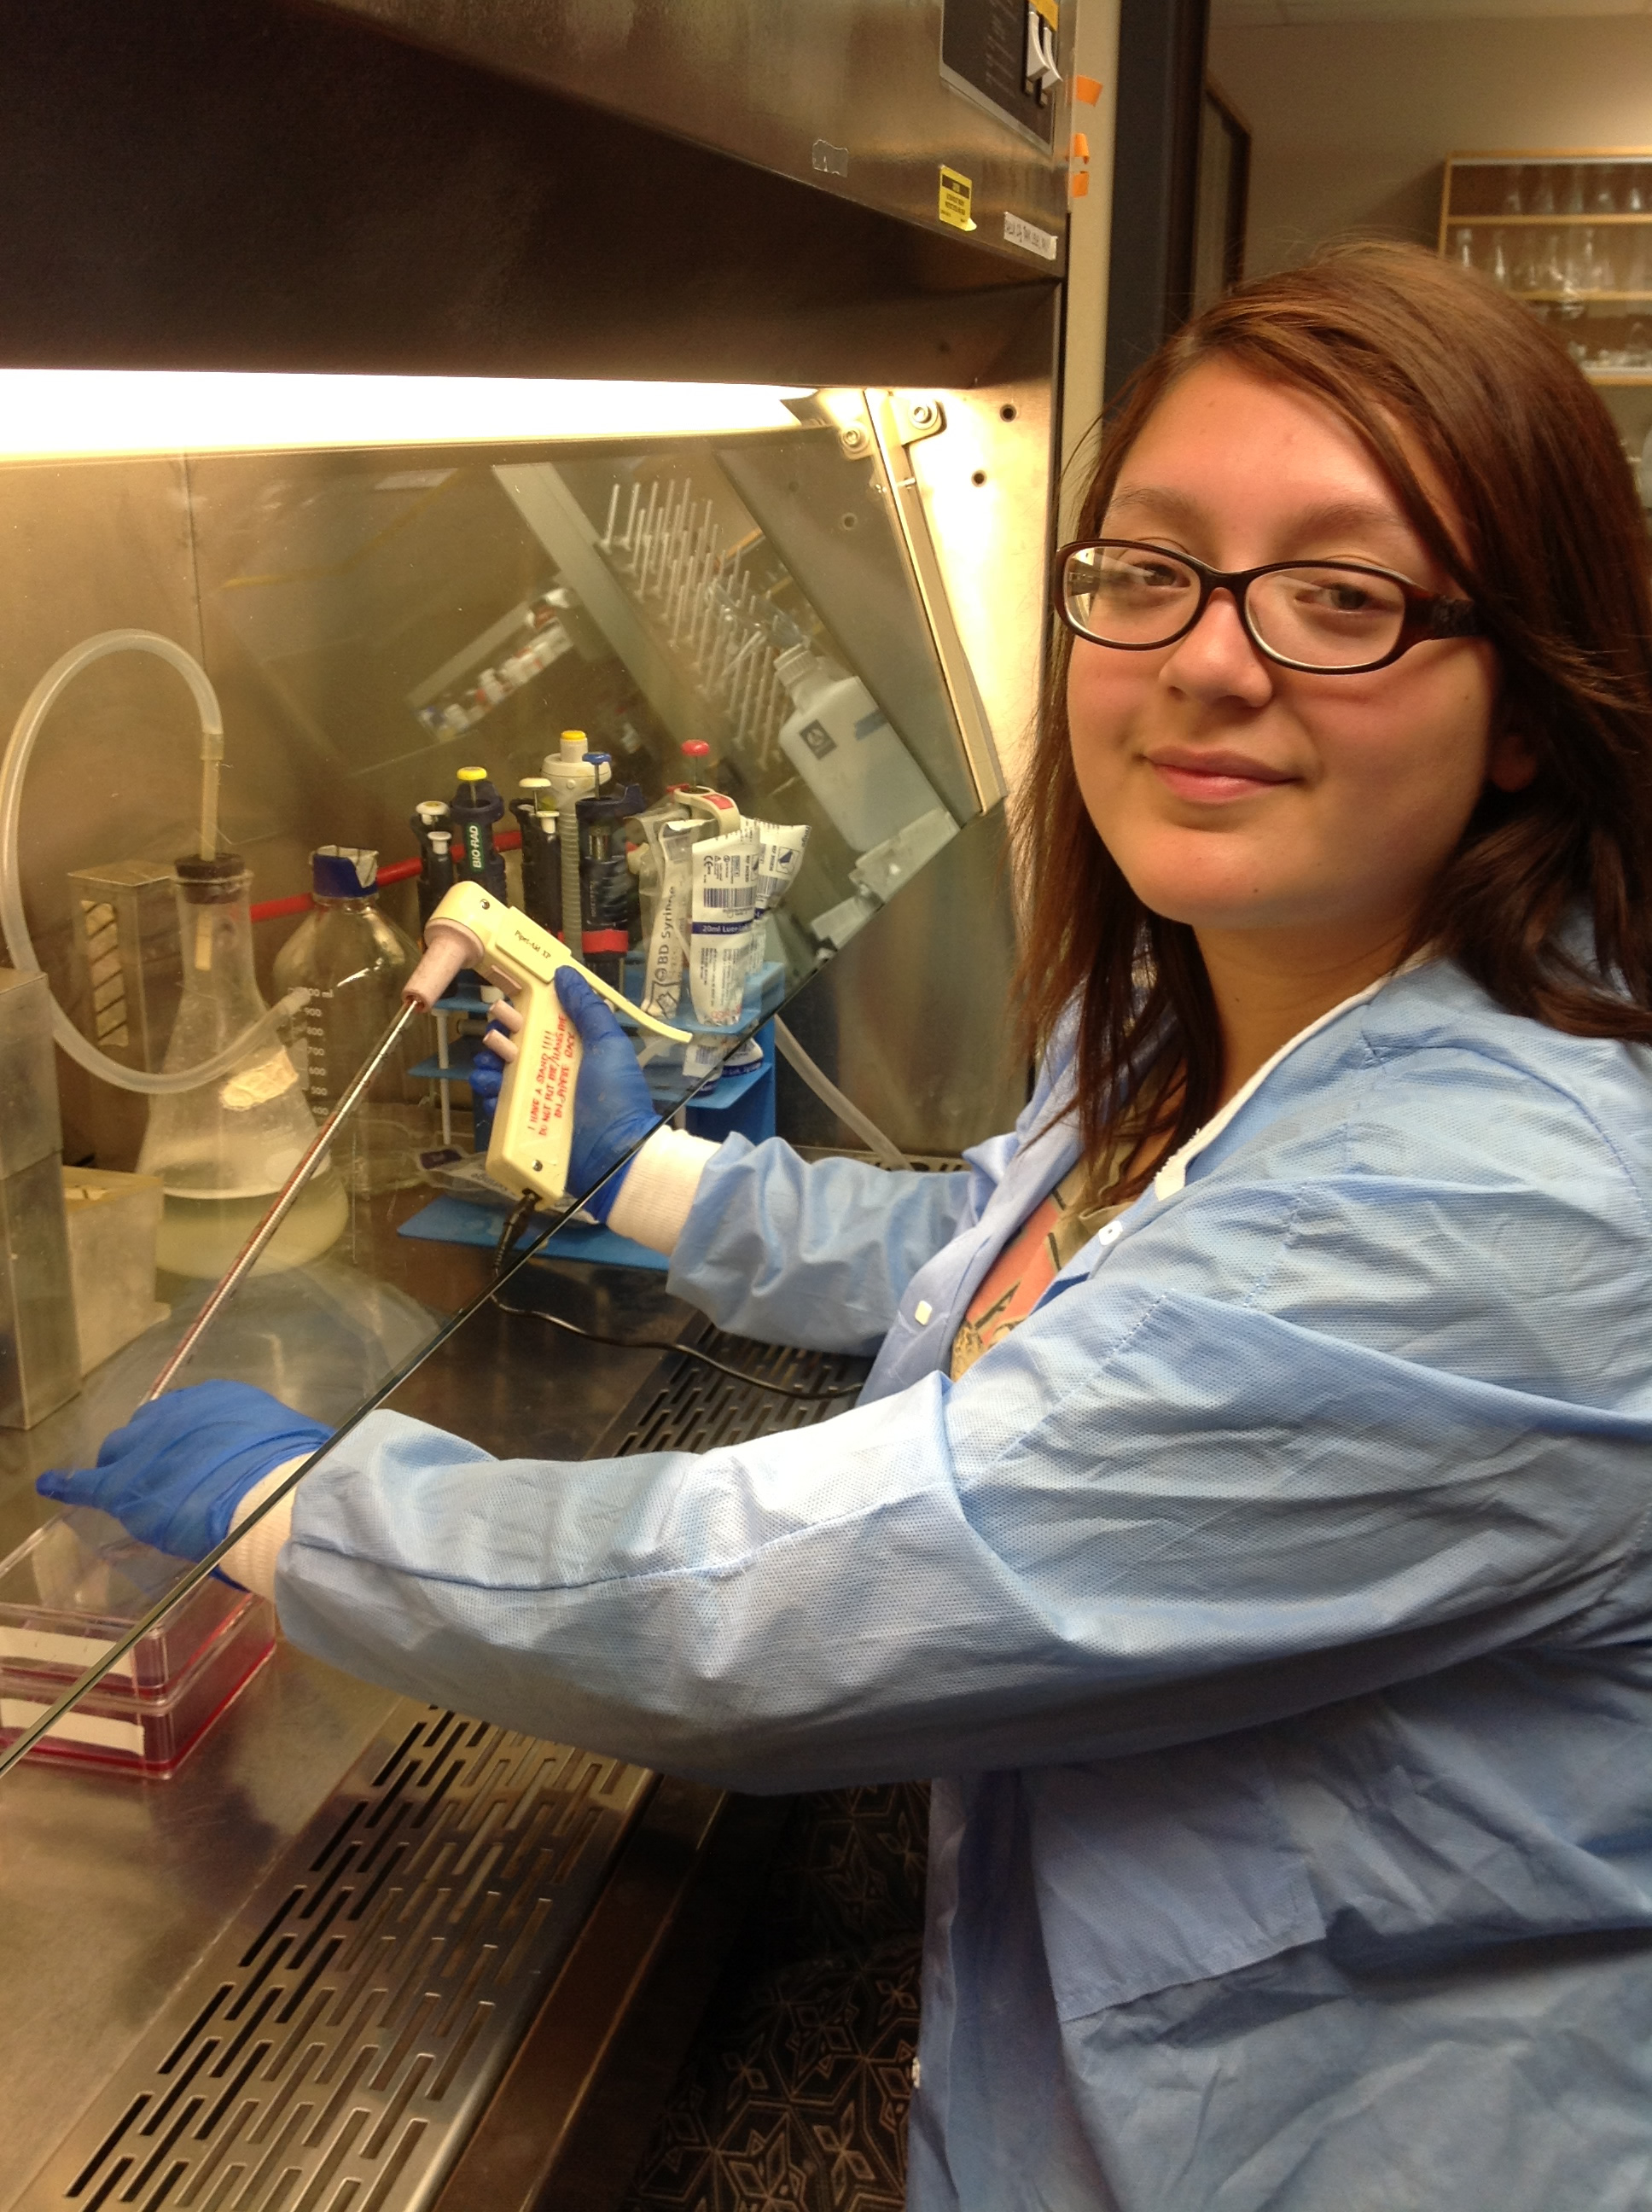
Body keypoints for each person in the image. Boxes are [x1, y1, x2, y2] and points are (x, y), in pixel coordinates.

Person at [42, 242, 1652, 2210]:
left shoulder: (1495, 1207)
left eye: (1340, 596)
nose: (1208, 660)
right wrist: (649, 1175)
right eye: (1148, 569)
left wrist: (306, 1511)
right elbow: (1029, 1263)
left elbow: (770, 1616)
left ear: (1522, 703)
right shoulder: (1246, 996)